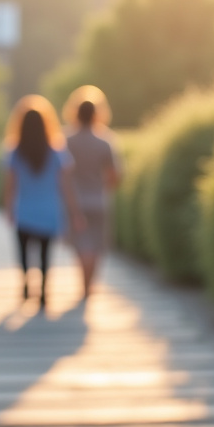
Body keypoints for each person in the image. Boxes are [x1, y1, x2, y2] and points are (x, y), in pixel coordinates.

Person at [1, 95, 83, 309]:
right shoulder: (56, 152)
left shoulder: (14, 152)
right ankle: (44, 292)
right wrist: (74, 212)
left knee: (24, 252)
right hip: (49, 211)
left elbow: (10, 185)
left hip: (24, 210)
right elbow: (66, 186)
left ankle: (26, 283)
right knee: (45, 254)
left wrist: (8, 208)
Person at [62, 86, 121, 298]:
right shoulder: (105, 141)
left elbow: (62, 175)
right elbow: (115, 175)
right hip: (99, 200)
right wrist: (104, 186)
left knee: (81, 246)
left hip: (75, 202)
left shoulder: (66, 140)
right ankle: (90, 286)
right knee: (96, 246)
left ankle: (84, 285)